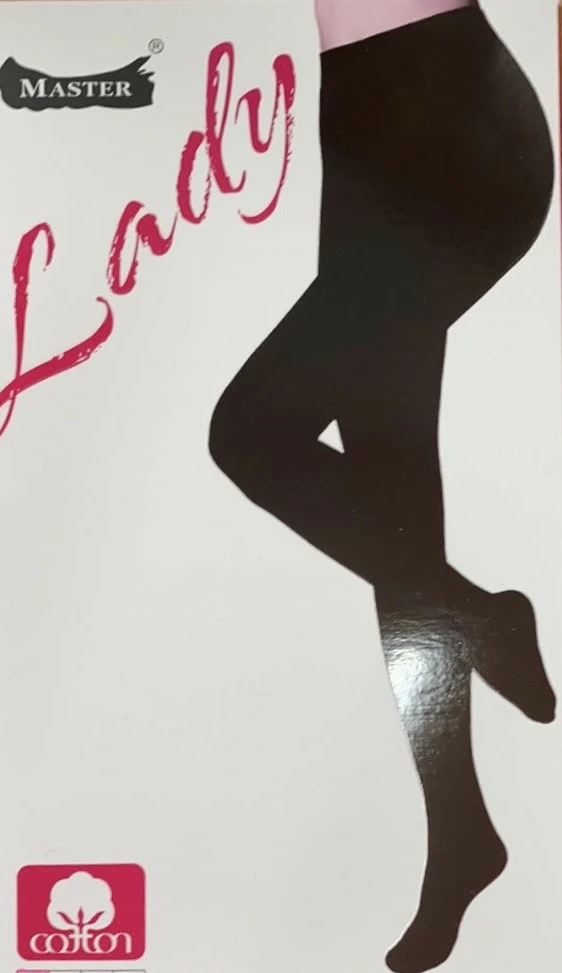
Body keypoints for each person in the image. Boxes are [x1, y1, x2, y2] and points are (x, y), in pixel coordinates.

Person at [209, 3, 556, 970]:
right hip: (366, 125)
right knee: (391, 506)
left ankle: (482, 620)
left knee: (251, 432)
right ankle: (461, 832)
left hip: (447, 122)